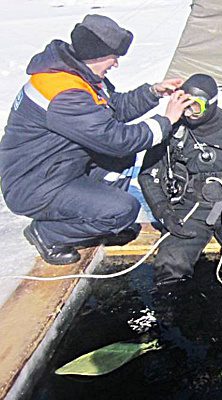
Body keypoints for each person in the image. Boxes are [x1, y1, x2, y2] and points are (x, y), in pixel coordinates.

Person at [0, 14, 193, 265]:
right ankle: (49, 234)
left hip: (54, 168)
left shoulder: (77, 73)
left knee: (121, 160)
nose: (115, 64)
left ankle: (101, 223)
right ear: (95, 53)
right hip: (33, 184)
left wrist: (152, 93)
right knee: (124, 209)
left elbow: (112, 110)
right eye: (113, 57)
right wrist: (166, 121)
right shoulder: (64, 93)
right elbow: (116, 139)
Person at [138, 74, 222, 289]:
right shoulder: (173, 130)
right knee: (170, 264)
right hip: (189, 209)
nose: (189, 114)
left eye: (196, 107)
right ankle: (168, 315)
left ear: (211, 103)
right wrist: (164, 213)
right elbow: (148, 176)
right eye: (185, 105)